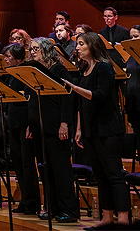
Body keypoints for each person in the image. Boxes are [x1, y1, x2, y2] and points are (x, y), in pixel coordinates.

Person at [63, 31, 129, 228]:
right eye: (78, 44)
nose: (78, 47)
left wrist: (75, 88)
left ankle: (124, 218)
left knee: (114, 174)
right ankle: (107, 217)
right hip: (91, 129)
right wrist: (80, 129)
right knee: (99, 175)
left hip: (108, 129)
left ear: (92, 46)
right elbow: (82, 104)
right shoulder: (84, 69)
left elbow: (99, 96)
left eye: (82, 43)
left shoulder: (104, 68)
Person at [25, 38, 78, 223]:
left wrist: (64, 123)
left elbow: (67, 98)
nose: (32, 52)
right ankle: (52, 207)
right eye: (31, 49)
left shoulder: (58, 69)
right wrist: (31, 125)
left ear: (47, 50)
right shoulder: (34, 71)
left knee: (60, 169)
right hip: (39, 127)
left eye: (36, 49)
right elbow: (32, 100)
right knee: (45, 169)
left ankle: (69, 210)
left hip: (56, 126)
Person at [0, 44, 40, 214]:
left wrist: (31, 123)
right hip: (13, 124)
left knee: (27, 164)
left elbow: (31, 100)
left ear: (18, 58)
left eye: (8, 57)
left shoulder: (24, 72)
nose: (5, 60)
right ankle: (25, 200)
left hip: (25, 124)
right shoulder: (10, 74)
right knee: (18, 164)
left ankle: (32, 202)